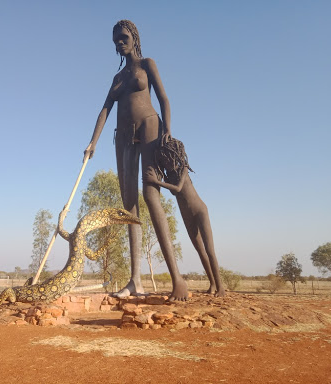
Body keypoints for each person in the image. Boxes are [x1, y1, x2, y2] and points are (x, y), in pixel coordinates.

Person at [84, 20, 189, 301]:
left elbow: (164, 99)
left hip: (150, 127)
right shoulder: (117, 79)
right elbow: (105, 110)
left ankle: (178, 279)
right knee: (129, 204)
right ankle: (135, 281)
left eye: (124, 37)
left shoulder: (147, 64)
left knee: (150, 193)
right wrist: (92, 142)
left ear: (134, 37)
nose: (120, 42)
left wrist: (167, 128)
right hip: (123, 137)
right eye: (116, 40)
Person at [145, 138, 225, 297]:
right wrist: (160, 176)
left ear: (175, 154)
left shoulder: (184, 169)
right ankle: (212, 284)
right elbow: (175, 192)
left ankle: (220, 287)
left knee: (209, 250)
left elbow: (178, 188)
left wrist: (156, 181)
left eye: (167, 156)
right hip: (186, 213)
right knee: (199, 250)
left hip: (200, 211)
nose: (166, 161)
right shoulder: (169, 174)